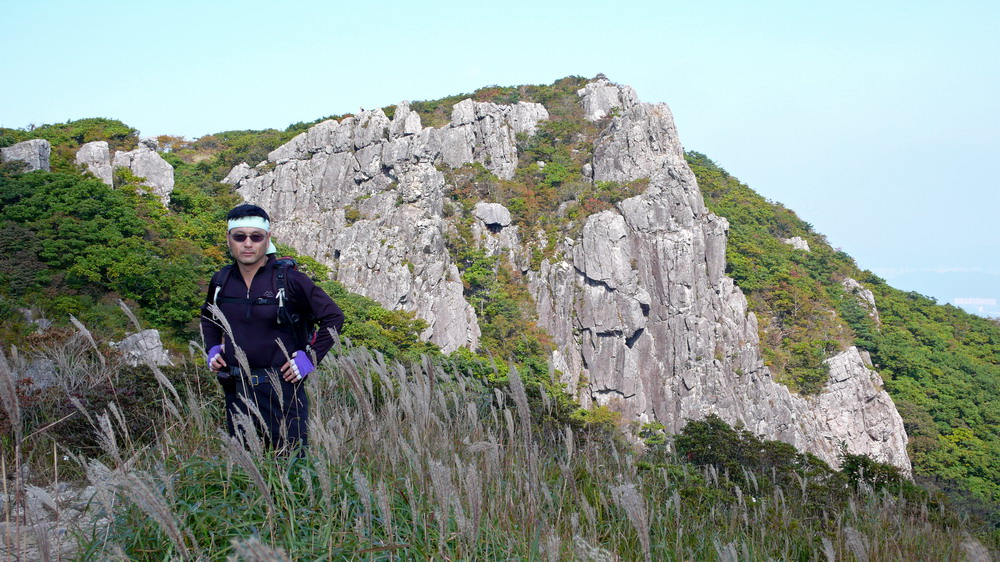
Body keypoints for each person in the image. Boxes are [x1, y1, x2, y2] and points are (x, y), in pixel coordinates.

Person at [201, 204, 344, 452]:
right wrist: (212, 348)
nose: (248, 243)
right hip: (236, 389)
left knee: (289, 467)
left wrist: (310, 358)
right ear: (229, 239)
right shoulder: (221, 280)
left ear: (267, 239)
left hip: (283, 390)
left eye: (255, 237)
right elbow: (208, 317)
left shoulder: (289, 280)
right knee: (244, 472)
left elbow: (334, 316)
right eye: (239, 237)